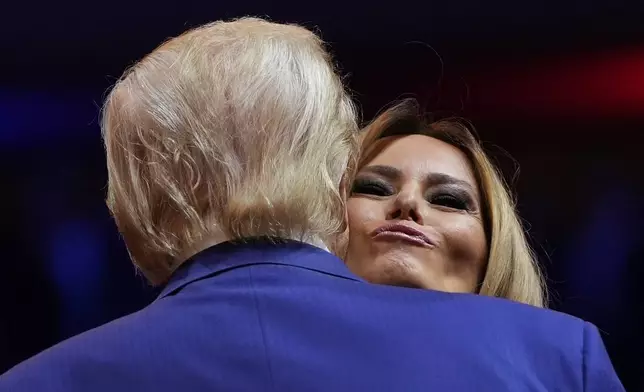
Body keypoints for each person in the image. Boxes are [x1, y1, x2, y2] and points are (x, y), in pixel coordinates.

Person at [0, 18, 624, 392]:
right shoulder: (556, 360)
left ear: (130, 203)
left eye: (451, 200)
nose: (407, 207)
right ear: (330, 188)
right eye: (372, 186)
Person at [342, 99, 545, 306]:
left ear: (493, 247)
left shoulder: (573, 337)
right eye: (373, 188)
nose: (407, 201)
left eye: (448, 200)